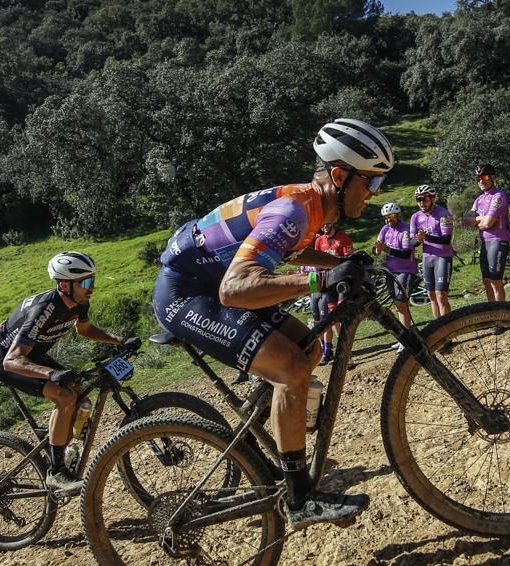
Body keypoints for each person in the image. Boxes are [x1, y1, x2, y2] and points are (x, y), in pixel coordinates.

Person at [152, 118, 393, 530]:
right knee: (291, 369)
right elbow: (235, 289)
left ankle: (248, 441)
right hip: (189, 293)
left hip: (217, 282)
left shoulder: (311, 207)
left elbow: (285, 252)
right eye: (370, 184)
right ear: (339, 176)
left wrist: (339, 263)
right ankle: (299, 500)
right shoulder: (293, 209)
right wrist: (322, 278)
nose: (374, 195)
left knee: (310, 347)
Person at [0, 252, 139, 492]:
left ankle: (59, 444)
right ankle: (55, 472)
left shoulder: (79, 301)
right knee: (65, 396)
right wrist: (50, 374)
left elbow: (86, 330)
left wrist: (119, 340)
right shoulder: (45, 309)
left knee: (80, 396)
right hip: (8, 360)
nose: (92, 287)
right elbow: (12, 360)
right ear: (64, 285)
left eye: (93, 280)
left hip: (32, 355)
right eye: (86, 282)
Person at [463, 163, 510, 303]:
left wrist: (477, 221)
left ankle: (501, 316)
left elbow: (488, 223)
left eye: (484, 177)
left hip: (498, 240)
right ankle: (491, 313)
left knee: (495, 281)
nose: (481, 181)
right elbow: (466, 220)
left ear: (493, 177)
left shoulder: (498, 196)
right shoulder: (479, 200)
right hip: (485, 243)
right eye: (478, 178)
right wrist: (480, 219)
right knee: (486, 280)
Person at [374, 202, 418, 351]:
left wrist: (385, 249)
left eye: (391, 216)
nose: (388, 220)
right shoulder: (385, 229)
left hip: (406, 270)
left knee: (401, 302)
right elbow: (377, 250)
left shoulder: (406, 229)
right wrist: (378, 249)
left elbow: (405, 254)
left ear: (398, 216)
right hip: (390, 271)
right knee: (397, 304)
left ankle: (406, 338)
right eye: (386, 218)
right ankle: (404, 337)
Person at [309, 222, 353, 365]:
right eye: (322, 225)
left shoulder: (343, 237)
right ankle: (329, 350)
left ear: (333, 223)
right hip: (325, 282)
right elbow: (315, 262)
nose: (325, 227)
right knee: (329, 318)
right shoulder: (319, 240)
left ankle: (344, 351)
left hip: (339, 282)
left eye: (327, 224)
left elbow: (349, 260)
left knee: (339, 317)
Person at [411, 184, 455, 319]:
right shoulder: (416, 217)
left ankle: (448, 329)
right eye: (418, 200)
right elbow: (413, 242)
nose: (421, 203)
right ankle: (439, 328)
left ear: (432, 199)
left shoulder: (443, 214)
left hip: (443, 257)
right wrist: (418, 239)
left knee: (441, 295)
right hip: (427, 258)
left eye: (425, 199)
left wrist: (426, 237)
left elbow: (446, 240)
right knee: (431, 295)